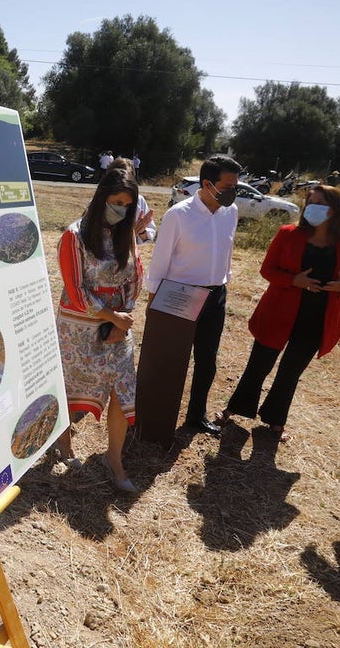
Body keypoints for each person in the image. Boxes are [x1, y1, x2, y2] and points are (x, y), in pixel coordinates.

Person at [216, 185, 340, 441]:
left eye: (320, 202)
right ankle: (233, 409)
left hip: (317, 318)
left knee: (290, 372)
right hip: (279, 311)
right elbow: (267, 270)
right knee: (259, 365)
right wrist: (293, 280)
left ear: (336, 209)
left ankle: (276, 421)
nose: (312, 207)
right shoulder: (288, 234)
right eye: (310, 202)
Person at [138, 154, 242, 443]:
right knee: (169, 360)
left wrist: (225, 281)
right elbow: (160, 262)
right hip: (180, 296)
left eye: (236, 185)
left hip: (216, 295)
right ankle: (153, 418)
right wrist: (152, 302)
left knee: (207, 360)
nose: (233, 190)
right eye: (228, 184)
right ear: (208, 184)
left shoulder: (230, 212)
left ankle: (196, 415)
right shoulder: (179, 215)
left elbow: (227, 251)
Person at [52, 167, 143, 493]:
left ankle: (114, 459)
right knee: (69, 386)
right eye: (116, 201)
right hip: (79, 330)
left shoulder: (126, 234)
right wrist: (111, 316)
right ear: (101, 196)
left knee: (122, 391)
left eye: (127, 204)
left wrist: (124, 317)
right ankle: (63, 444)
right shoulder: (73, 236)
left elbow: (135, 277)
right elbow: (75, 289)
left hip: (118, 328)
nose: (120, 209)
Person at [109, 157, 155, 242]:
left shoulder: (139, 201)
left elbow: (147, 238)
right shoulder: (98, 202)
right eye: (118, 203)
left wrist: (141, 232)